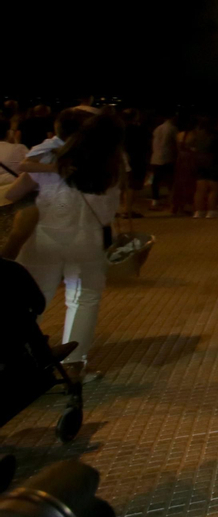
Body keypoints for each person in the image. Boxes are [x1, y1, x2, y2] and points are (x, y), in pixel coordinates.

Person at [2, 111, 125, 379]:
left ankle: (20, 362)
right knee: (83, 299)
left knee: (30, 300)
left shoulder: (47, 157)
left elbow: (13, 193)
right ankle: (74, 366)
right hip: (89, 239)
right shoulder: (111, 158)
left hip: (45, 236)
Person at [189, 116, 218, 219]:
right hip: (214, 161)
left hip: (199, 161)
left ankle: (199, 211)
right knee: (213, 188)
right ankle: (211, 210)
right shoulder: (216, 135)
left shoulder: (198, 135)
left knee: (200, 189)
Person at [119, 108, 150, 218]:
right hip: (136, 159)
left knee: (124, 185)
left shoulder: (120, 129)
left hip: (123, 158)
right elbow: (145, 144)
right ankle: (127, 209)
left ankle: (123, 208)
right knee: (132, 185)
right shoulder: (138, 130)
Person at [149, 112, 178, 210]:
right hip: (168, 157)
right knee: (170, 181)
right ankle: (171, 200)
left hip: (156, 156)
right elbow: (176, 143)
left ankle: (155, 199)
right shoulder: (173, 129)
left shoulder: (158, 128)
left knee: (156, 180)